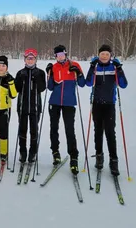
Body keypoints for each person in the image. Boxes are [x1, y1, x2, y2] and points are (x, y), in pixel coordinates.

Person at [85, 44, 128, 176]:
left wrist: (120, 69)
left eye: (107, 54)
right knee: (98, 132)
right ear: (98, 55)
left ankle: (113, 161)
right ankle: (99, 157)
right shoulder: (96, 67)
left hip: (109, 104)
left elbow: (123, 84)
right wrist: (92, 67)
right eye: (102, 54)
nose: (104, 56)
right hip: (97, 104)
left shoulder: (114, 67)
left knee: (110, 132)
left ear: (110, 55)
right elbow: (88, 83)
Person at [45, 45, 85, 175]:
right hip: (54, 102)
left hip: (69, 103)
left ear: (66, 54)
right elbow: (50, 88)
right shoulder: (54, 67)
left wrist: (78, 73)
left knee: (69, 130)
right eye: (58, 55)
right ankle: (55, 152)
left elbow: (82, 83)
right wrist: (49, 74)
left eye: (62, 54)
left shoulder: (75, 65)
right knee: (53, 128)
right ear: (55, 56)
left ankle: (74, 157)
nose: (60, 57)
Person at [14, 48, 46, 164]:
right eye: (28, 58)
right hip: (22, 106)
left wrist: (37, 78)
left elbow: (42, 88)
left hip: (35, 107)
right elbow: (16, 89)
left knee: (34, 130)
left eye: (32, 59)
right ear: (25, 59)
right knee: (22, 130)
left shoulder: (41, 73)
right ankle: (23, 152)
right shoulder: (20, 72)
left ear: (36, 59)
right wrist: (20, 80)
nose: (30, 60)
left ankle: (33, 153)